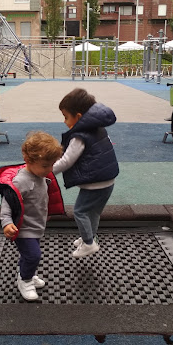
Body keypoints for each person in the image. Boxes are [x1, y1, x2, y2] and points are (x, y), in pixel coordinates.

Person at [0, 132, 64, 301]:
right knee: (33, 255)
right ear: (29, 161)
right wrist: (7, 223)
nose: (50, 169)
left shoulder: (40, 173)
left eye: (52, 165)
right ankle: (25, 280)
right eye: (46, 166)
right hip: (23, 228)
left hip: (36, 225)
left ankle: (27, 272)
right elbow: (7, 203)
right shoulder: (21, 181)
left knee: (29, 255)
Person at [53, 88, 119, 258]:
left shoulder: (79, 136)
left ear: (79, 117)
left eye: (66, 117)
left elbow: (67, 160)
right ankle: (89, 237)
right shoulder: (98, 128)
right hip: (108, 181)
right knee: (93, 212)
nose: (65, 121)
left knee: (80, 211)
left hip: (95, 184)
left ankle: (89, 243)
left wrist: (47, 170)